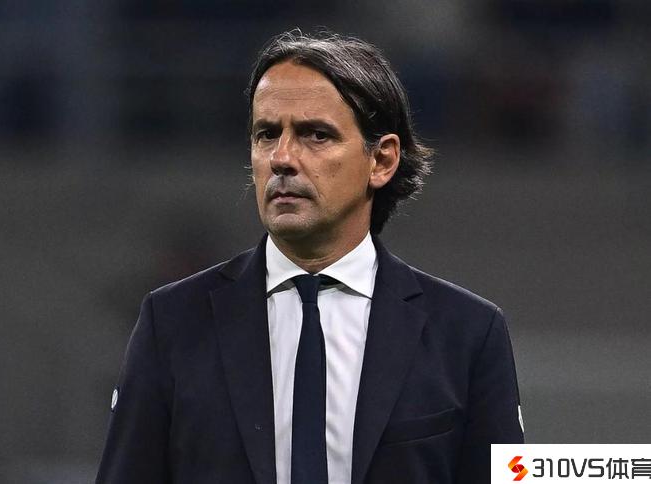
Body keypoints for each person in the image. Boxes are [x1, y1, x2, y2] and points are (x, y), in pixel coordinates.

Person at [96, 30, 523, 484]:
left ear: (382, 161)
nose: (281, 158)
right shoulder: (172, 322)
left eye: (315, 135)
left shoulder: (468, 332)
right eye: (266, 134)